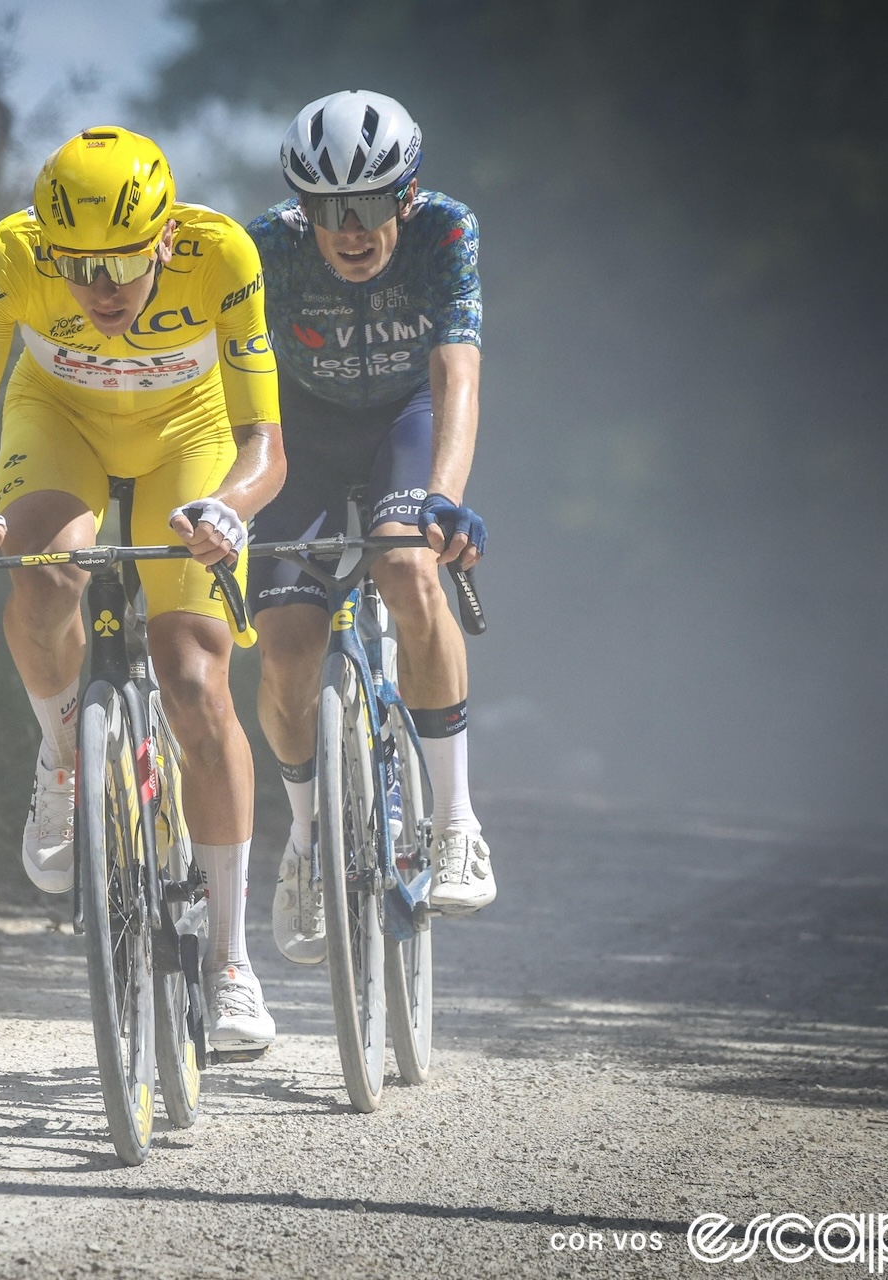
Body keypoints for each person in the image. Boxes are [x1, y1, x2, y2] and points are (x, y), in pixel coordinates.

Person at [0, 127, 287, 1051]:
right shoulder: (9, 257)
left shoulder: (223, 256)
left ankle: (233, 962)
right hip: (61, 425)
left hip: (190, 440)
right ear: (48, 248)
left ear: (167, 238)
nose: (102, 287)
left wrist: (233, 510)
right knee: (45, 579)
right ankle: (62, 761)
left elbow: (263, 446)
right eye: (78, 267)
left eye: (124, 262)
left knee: (196, 679)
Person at [243, 90, 495, 966]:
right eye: (326, 209)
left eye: (371, 204)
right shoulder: (266, 244)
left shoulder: (446, 231)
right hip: (301, 434)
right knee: (282, 645)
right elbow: (231, 380)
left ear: (408, 196)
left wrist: (443, 496)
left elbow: (457, 372)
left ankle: (458, 821)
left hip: (405, 416)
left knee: (406, 568)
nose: (350, 229)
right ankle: (308, 844)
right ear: (299, 206)